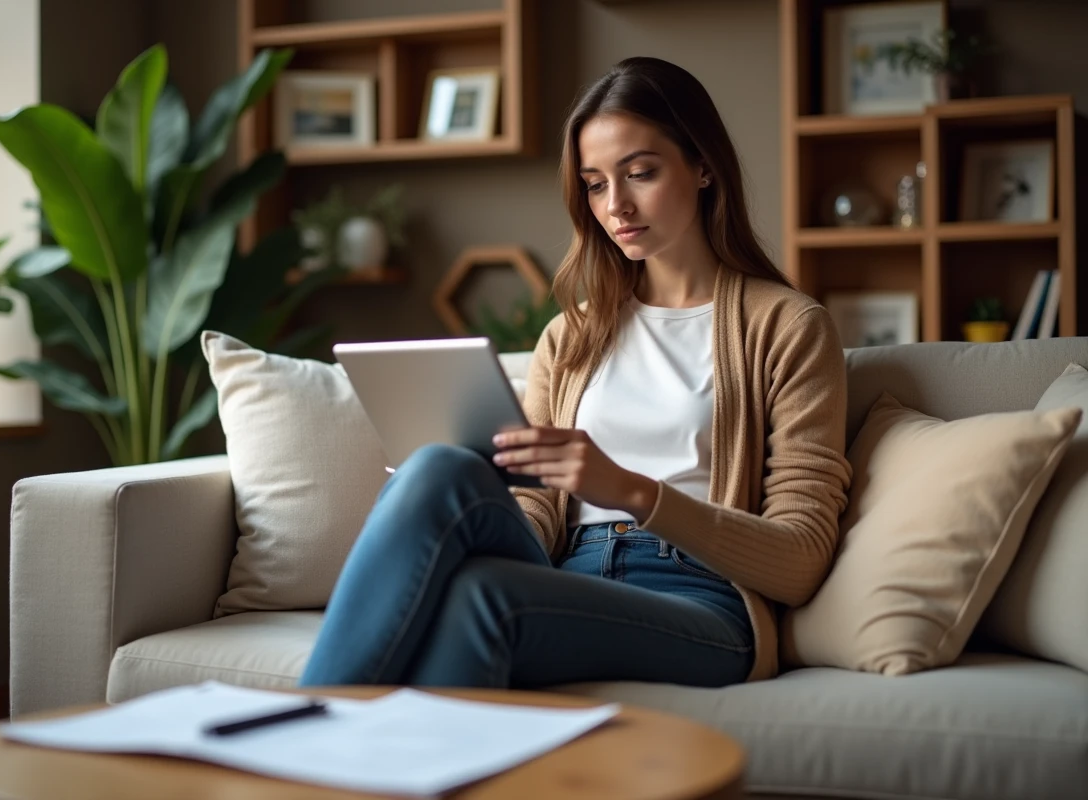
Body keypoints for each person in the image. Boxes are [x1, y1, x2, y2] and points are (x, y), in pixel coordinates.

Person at [299, 56, 853, 690]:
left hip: (699, 600)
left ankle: (300, 747)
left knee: (484, 596)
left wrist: (631, 491)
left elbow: (801, 559)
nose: (615, 205)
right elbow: (536, 507)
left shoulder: (787, 327)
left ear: (703, 167)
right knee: (435, 470)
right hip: (562, 572)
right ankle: (308, 744)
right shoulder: (570, 337)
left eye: (640, 173)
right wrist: (468, 486)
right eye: (594, 184)